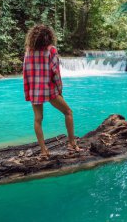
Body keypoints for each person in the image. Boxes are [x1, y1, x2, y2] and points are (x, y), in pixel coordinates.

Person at [23, 24, 81, 159]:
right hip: (49, 90)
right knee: (68, 112)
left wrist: (28, 91)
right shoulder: (51, 50)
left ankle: (44, 151)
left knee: (38, 119)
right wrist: (60, 90)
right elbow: (56, 74)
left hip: (35, 90)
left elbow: (25, 73)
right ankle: (72, 143)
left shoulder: (28, 51)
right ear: (49, 37)